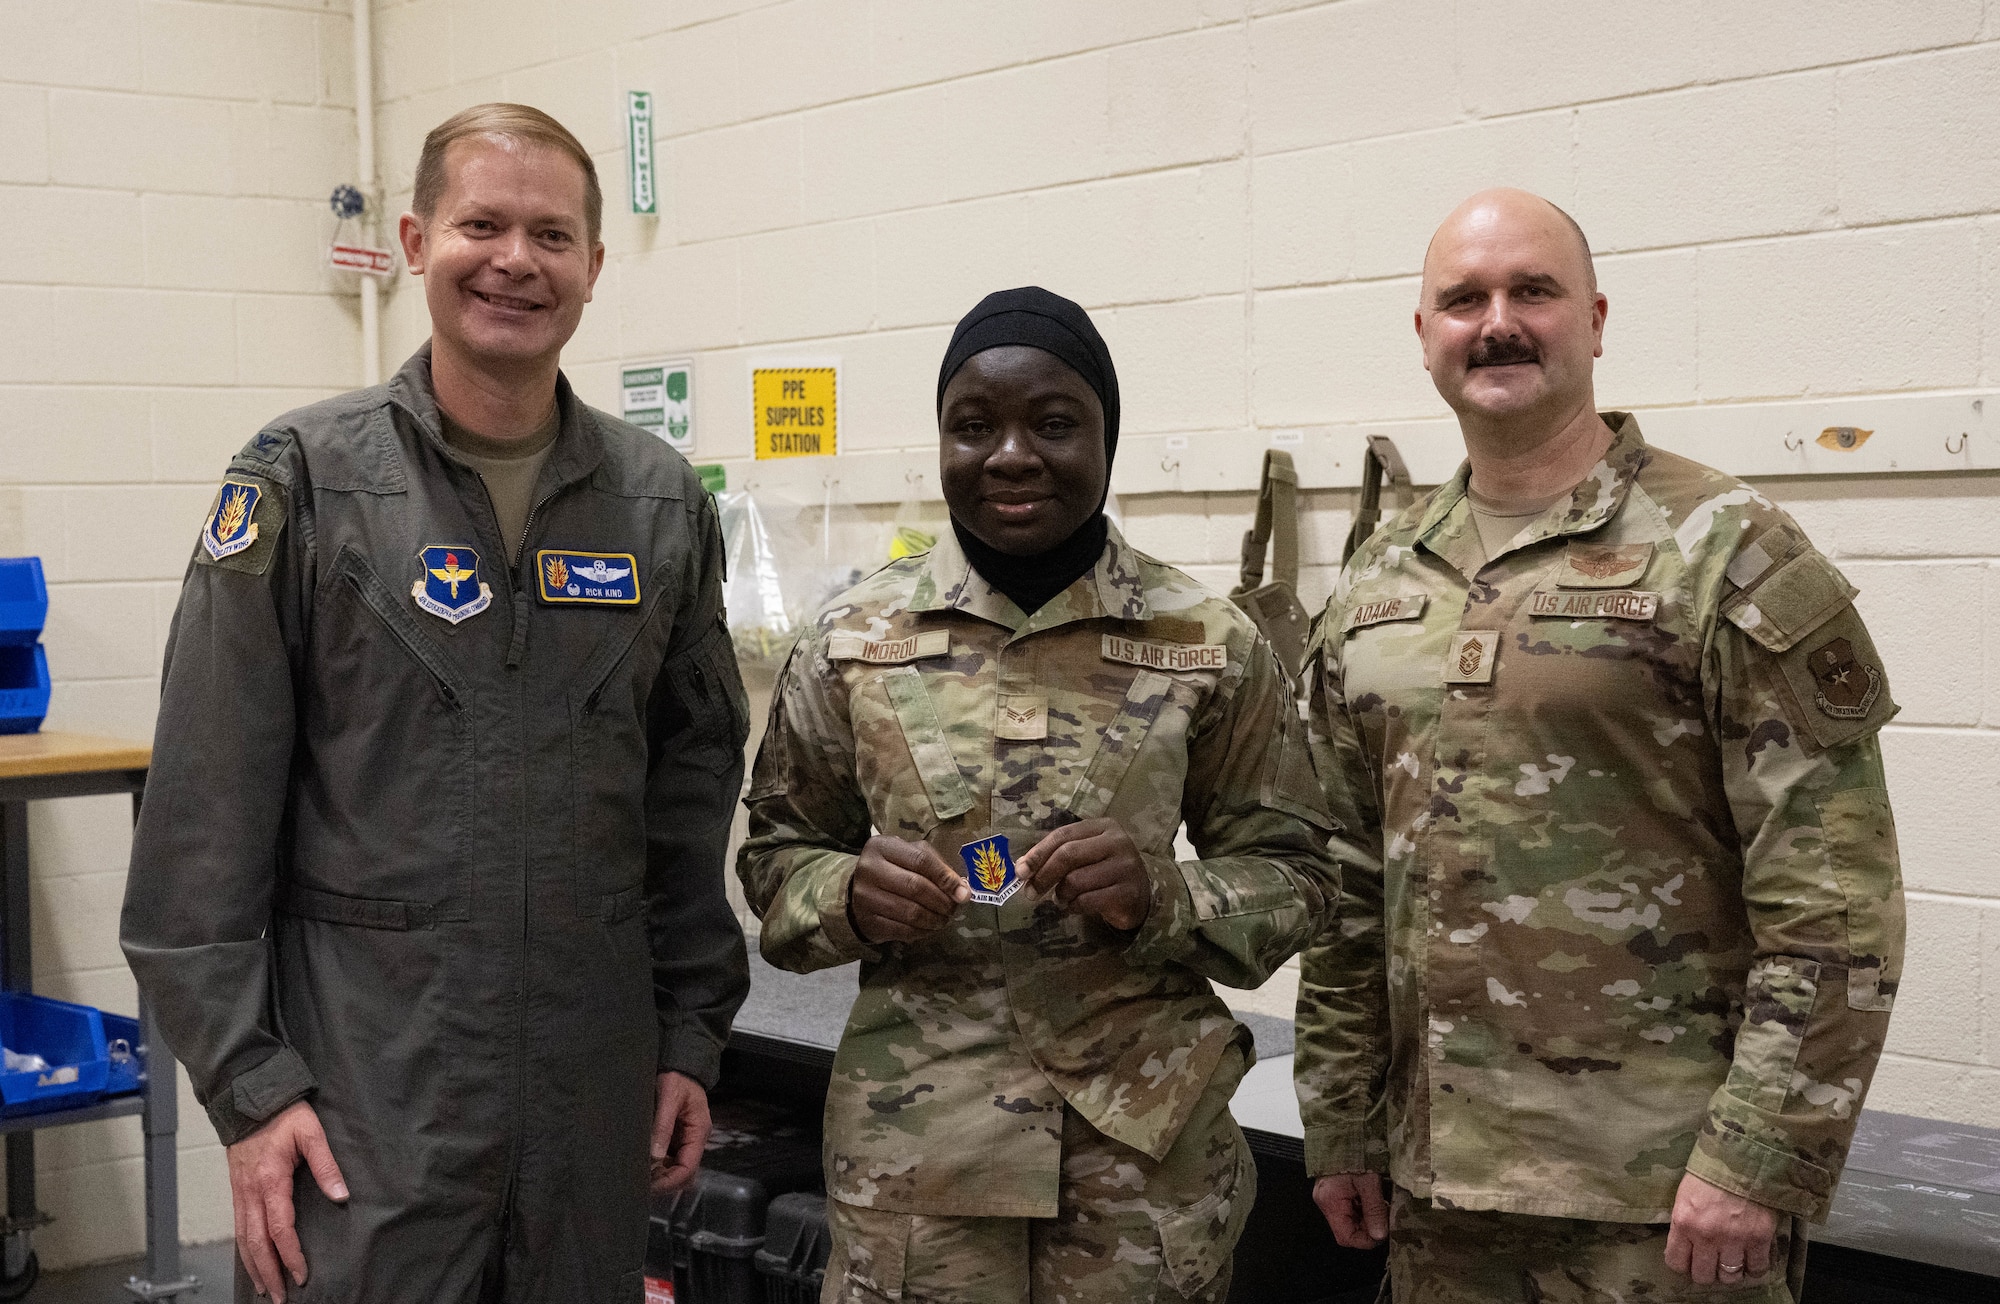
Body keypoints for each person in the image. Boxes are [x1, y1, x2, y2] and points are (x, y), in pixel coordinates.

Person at [120, 104, 750, 1304]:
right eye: (482, 223)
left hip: (585, 1104)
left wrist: (689, 1037)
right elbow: (201, 822)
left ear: (594, 269)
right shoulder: (303, 480)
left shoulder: (661, 505)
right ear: (415, 240)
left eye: (552, 235)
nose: (516, 259)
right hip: (368, 1110)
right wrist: (250, 1089)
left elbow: (687, 800)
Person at [1293, 188, 1905, 1302]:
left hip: (1662, 1203)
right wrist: (1339, 1116)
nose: (1497, 321)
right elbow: (1343, 882)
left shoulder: (1726, 548)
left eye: (1532, 290)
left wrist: (1757, 1159)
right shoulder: (1381, 577)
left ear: (1594, 317)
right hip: (1436, 1191)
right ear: (1423, 334)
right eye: (1462, 298)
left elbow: (1833, 899)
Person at [738, 286, 1344, 1303]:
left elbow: (1297, 875)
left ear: (1106, 435)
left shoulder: (1203, 638)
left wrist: (1164, 894)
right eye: (972, 426)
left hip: (1137, 1161)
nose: (1011, 454)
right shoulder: (851, 638)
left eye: (1053, 422)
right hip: (917, 1161)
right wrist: (844, 892)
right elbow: (773, 857)